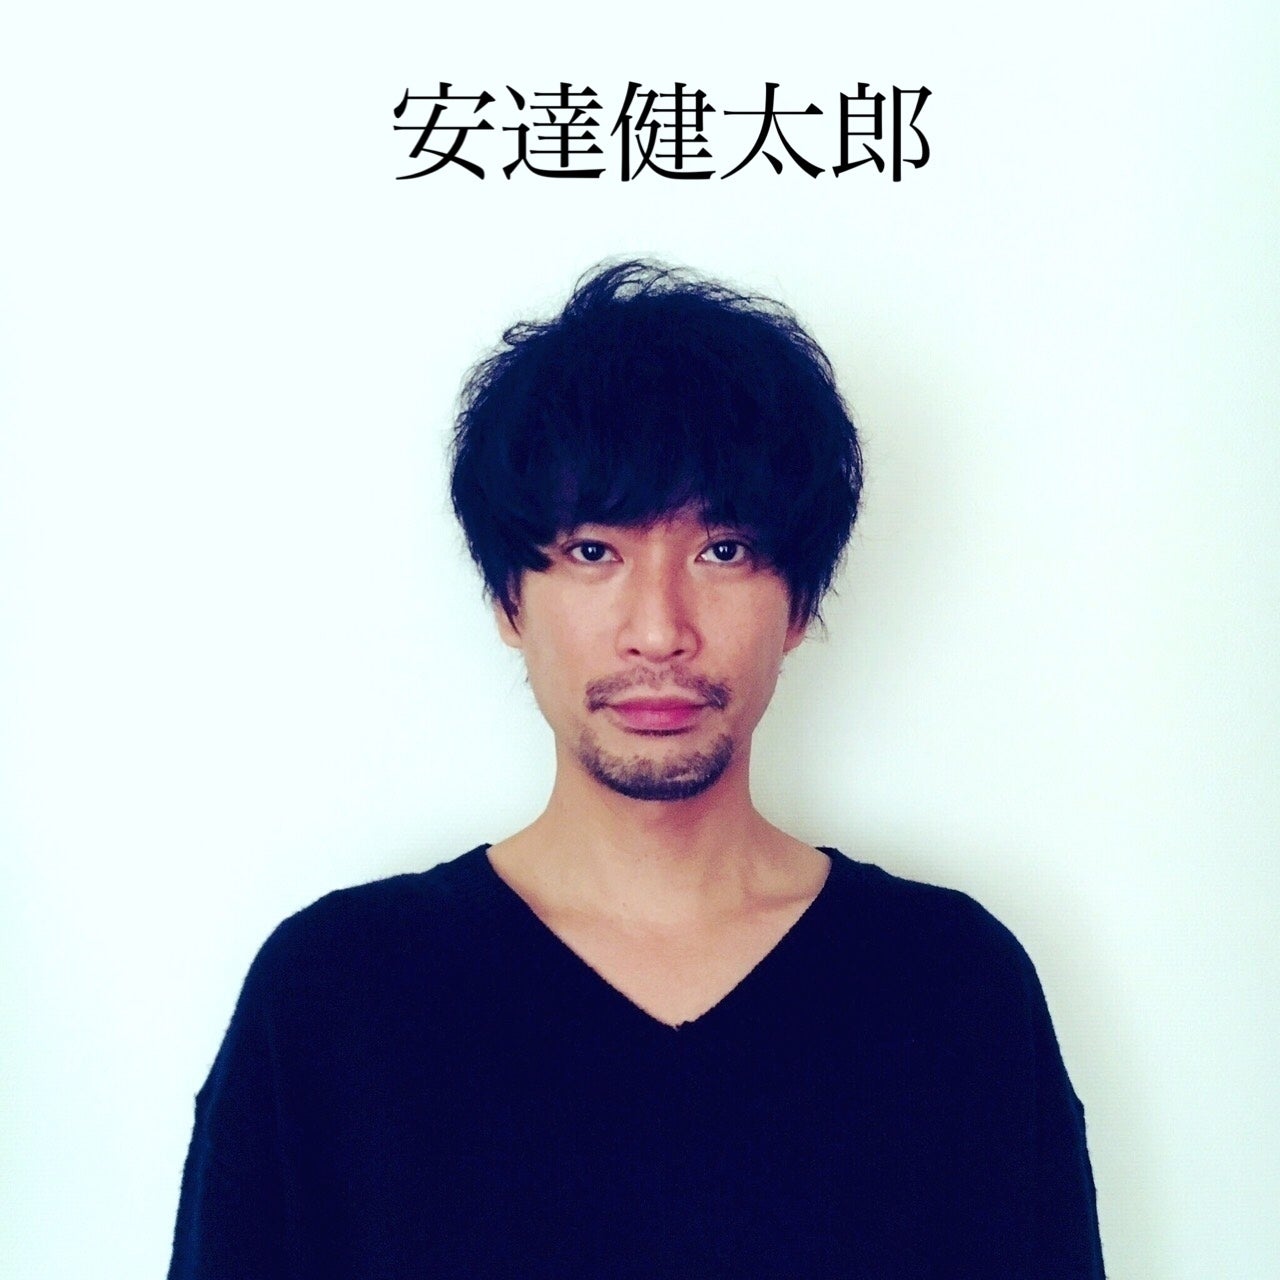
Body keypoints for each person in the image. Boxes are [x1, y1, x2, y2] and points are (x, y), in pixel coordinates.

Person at [168, 261, 1105, 1278]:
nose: (658, 630)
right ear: (509, 600)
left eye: (724, 550)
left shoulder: (950, 989)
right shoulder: (333, 996)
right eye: (591, 551)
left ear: (798, 604)